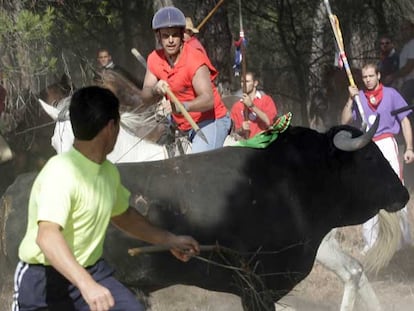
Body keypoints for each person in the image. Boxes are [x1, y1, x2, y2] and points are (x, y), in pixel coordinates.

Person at [12, 86, 199, 311]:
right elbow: (47, 237)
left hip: (91, 270)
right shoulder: (60, 172)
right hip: (43, 280)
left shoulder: (107, 171)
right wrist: (86, 284)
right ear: (111, 127)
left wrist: (168, 239)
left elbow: (124, 216)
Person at [341, 63, 414, 252]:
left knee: (396, 189)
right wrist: (350, 99)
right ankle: (371, 242)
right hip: (367, 145)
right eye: (365, 77)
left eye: (371, 76)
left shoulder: (391, 94)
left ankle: (404, 241)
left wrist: (409, 148)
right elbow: (344, 120)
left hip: (387, 143)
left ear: (378, 76)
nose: (368, 80)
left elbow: (405, 121)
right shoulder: (359, 98)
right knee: (368, 193)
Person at [142, 6, 231, 154]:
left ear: (182, 34)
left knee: (196, 167)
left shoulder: (195, 59)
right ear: (158, 36)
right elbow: (145, 96)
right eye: (165, 36)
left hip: (210, 121)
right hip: (180, 126)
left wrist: (183, 107)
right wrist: (154, 89)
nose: (170, 41)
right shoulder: (154, 58)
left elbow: (208, 100)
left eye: (174, 35)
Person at [230, 71, 277, 139]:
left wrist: (252, 106)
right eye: (242, 82)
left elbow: (269, 122)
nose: (244, 84)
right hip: (246, 145)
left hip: (263, 142)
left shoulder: (266, 100)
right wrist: (242, 129)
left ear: (255, 83)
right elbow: (235, 131)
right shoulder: (237, 106)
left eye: (247, 81)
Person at [383, 21, 414, 104]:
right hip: (405, 81)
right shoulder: (406, 46)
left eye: (406, 29)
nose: (404, 32)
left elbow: (409, 67)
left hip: (411, 81)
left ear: (412, 29)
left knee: (402, 104)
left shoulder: (413, 44)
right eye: (402, 30)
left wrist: (392, 76)